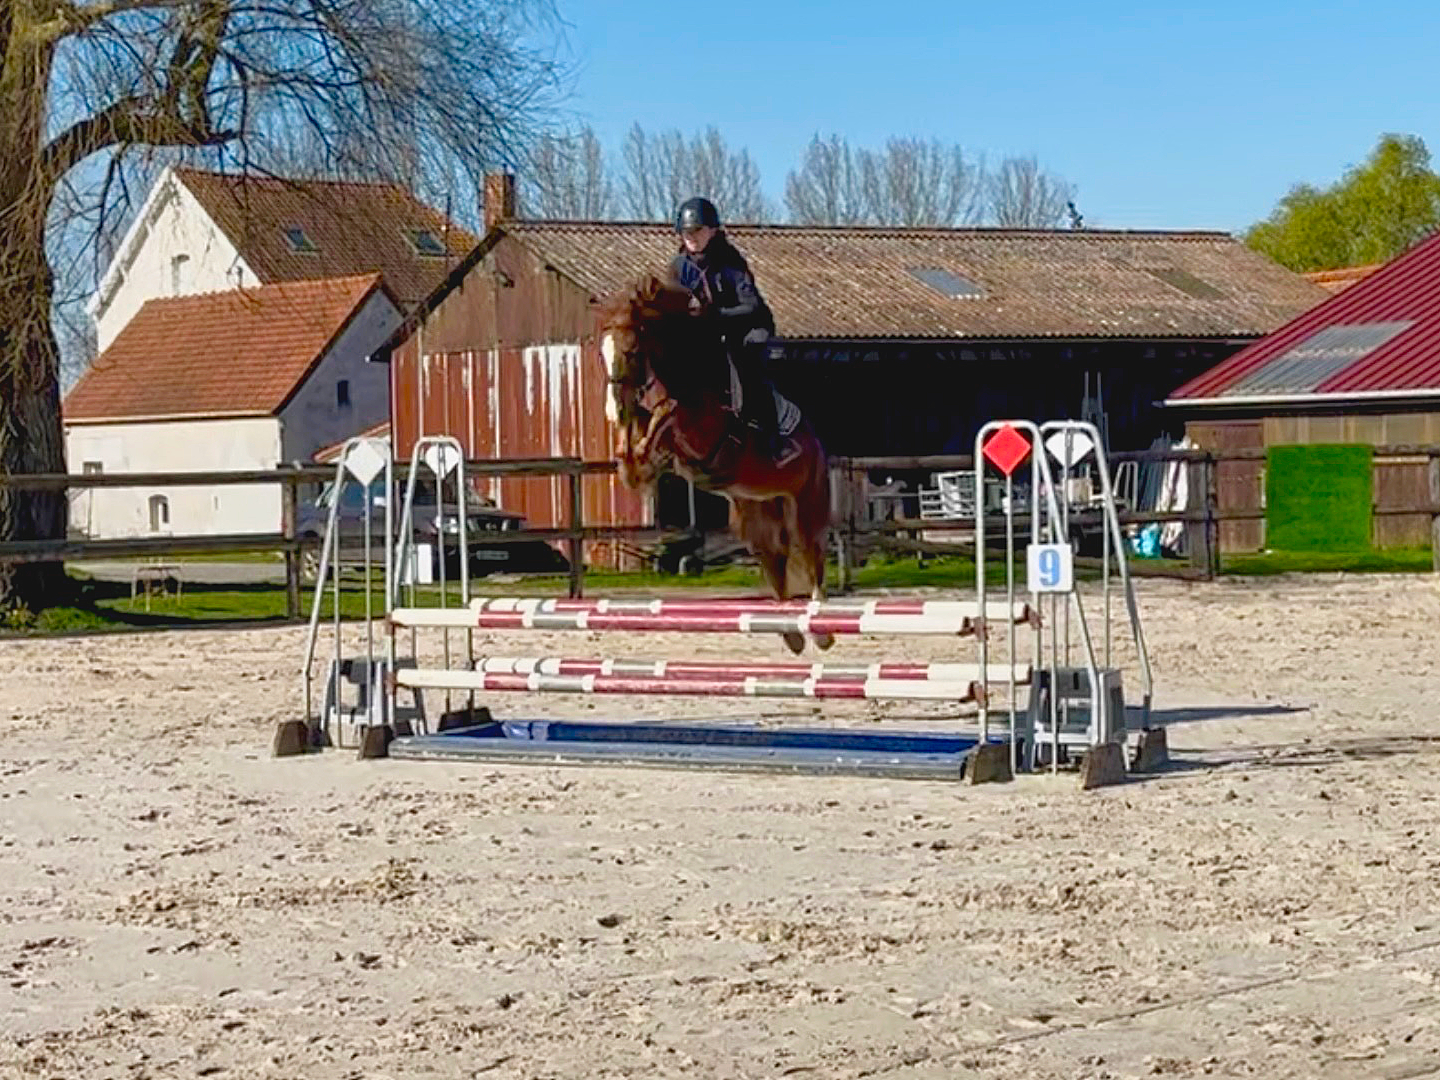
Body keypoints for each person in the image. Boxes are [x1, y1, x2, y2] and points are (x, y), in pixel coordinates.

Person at [668, 196, 782, 454]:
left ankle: (768, 429)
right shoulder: (678, 267)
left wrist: (715, 315)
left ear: (712, 231)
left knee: (746, 358)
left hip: (743, 329)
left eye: (697, 231)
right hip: (704, 334)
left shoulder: (730, 262)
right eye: (686, 232)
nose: (691, 237)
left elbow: (751, 306)